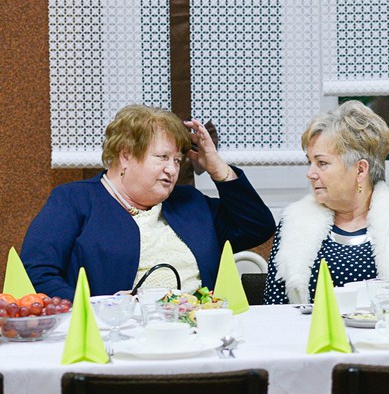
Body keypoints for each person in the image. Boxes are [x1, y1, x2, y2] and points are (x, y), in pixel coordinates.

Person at [21, 104, 276, 299]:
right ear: (126, 156)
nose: (172, 169)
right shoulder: (74, 200)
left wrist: (219, 168)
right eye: (162, 157)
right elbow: (38, 274)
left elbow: (257, 227)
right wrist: (98, 311)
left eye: (177, 160)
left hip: (197, 331)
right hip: (113, 336)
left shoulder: (190, 203)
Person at [264, 101, 389, 304]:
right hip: (308, 335)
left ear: (361, 170)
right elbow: (274, 308)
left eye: (322, 163)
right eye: (309, 162)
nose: (310, 173)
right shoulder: (293, 223)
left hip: (382, 334)